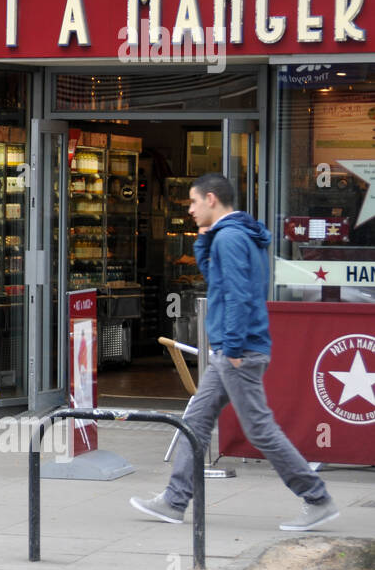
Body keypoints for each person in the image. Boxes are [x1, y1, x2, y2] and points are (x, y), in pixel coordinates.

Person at [130, 172, 339, 532]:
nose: (191, 209)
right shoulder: (236, 234)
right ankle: (174, 501)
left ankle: (317, 498)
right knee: (196, 420)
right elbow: (219, 281)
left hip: (238, 350)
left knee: (259, 428)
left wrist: (234, 346)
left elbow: (239, 295)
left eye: (194, 202)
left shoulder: (230, 238)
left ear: (212, 199)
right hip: (235, 348)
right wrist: (202, 242)